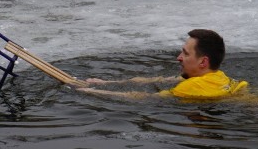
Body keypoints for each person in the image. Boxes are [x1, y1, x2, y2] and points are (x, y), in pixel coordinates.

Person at [79, 29, 248, 100]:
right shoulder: (218, 77)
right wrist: (107, 83)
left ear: (203, 62)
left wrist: (94, 92)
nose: (178, 57)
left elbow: (143, 98)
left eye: (186, 53)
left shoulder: (192, 87)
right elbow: (161, 79)